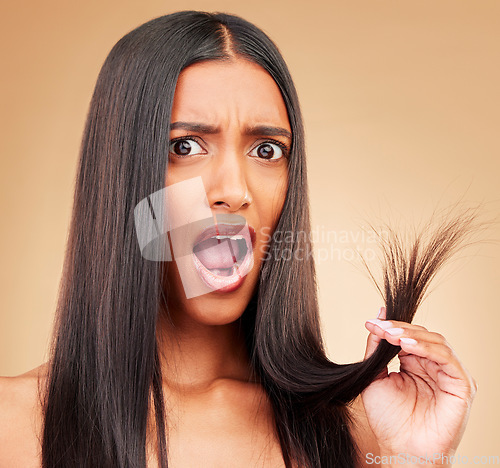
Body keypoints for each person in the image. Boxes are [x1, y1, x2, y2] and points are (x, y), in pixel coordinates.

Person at [0, 11, 477, 467]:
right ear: (119, 174)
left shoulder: (361, 434)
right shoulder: (11, 424)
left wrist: (418, 463)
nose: (233, 190)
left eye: (267, 150)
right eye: (184, 146)